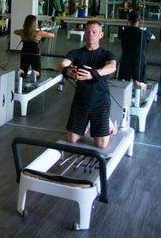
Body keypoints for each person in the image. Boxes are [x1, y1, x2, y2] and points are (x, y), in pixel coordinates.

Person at [57, 21, 117, 149]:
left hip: (100, 102)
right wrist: (69, 71)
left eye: (94, 32)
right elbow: (62, 64)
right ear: (85, 34)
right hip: (81, 101)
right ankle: (88, 124)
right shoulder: (76, 53)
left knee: (101, 145)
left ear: (101, 35)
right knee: (72, 139)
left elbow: (112, 67)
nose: (91, 35)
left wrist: (93, 74)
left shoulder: (106, 54)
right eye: (88, 32)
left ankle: (108, 122)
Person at [118, 11, 155, 89]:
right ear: (139, 20)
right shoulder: (144, 33)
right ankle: (139, 98)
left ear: (128, 20)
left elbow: (121, 36)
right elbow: (153, 37)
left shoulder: (123, 33)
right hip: (139, 61)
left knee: (123, 82)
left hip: (125, 60)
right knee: (140, 83)